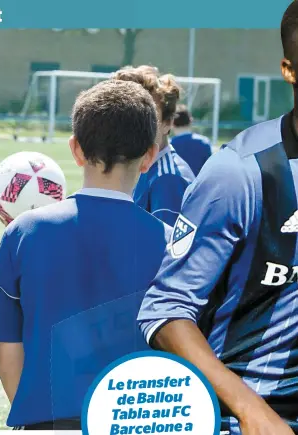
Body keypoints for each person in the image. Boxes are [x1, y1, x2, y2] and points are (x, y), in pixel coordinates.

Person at [137, 2, 298, 433]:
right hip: (259, 416)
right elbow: (165, 311)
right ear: (290, 69)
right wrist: (252, 410)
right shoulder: (242, 172)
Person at [0, 80, 171, 430]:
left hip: (49, 423)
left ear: (75, 149)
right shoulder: (169, 243)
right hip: (131, 422)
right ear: (150, 155)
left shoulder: (23, 233)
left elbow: (9, 355)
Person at [113, 66, 195, 226]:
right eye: (128, 114)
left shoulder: (167, 180)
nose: (135, 124)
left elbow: (165, 249)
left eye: (147, 116)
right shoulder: (144, 168)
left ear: (167, 123)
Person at [171, 104, 213, 177]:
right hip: (199, 186)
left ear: (172, 123)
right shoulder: (204, 142)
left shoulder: (170, 145)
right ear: (190, 121)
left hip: (178, 186)